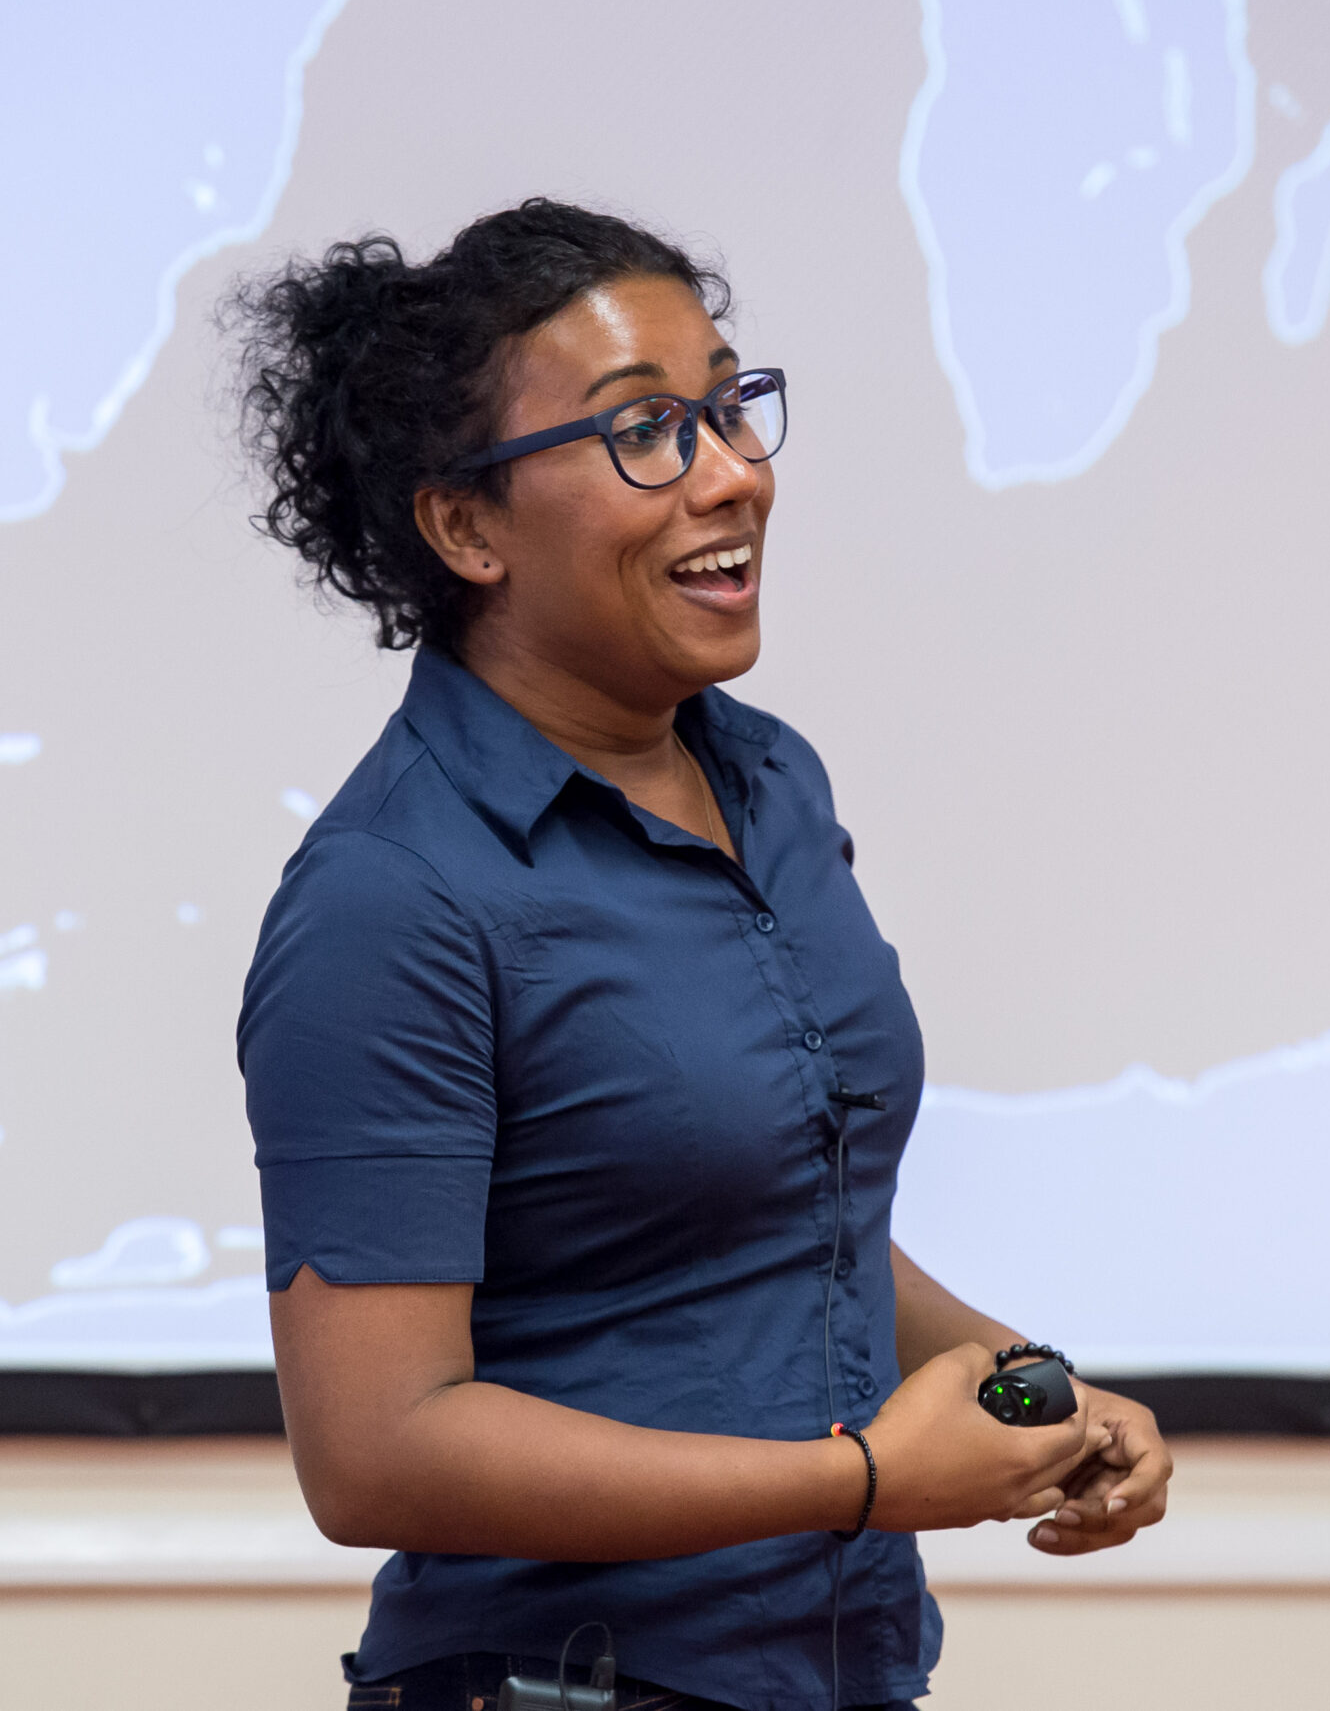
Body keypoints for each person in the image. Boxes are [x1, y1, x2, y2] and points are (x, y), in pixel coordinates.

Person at [225, 200, 1169, 1711]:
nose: (735, 470)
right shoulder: (389, 895)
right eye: (646, 430)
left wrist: (1036, 1380)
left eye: (730, 406)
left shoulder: (775, 782)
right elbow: (376, 1451)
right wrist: (856, 1477)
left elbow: (793, 1224)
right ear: (465, 526)